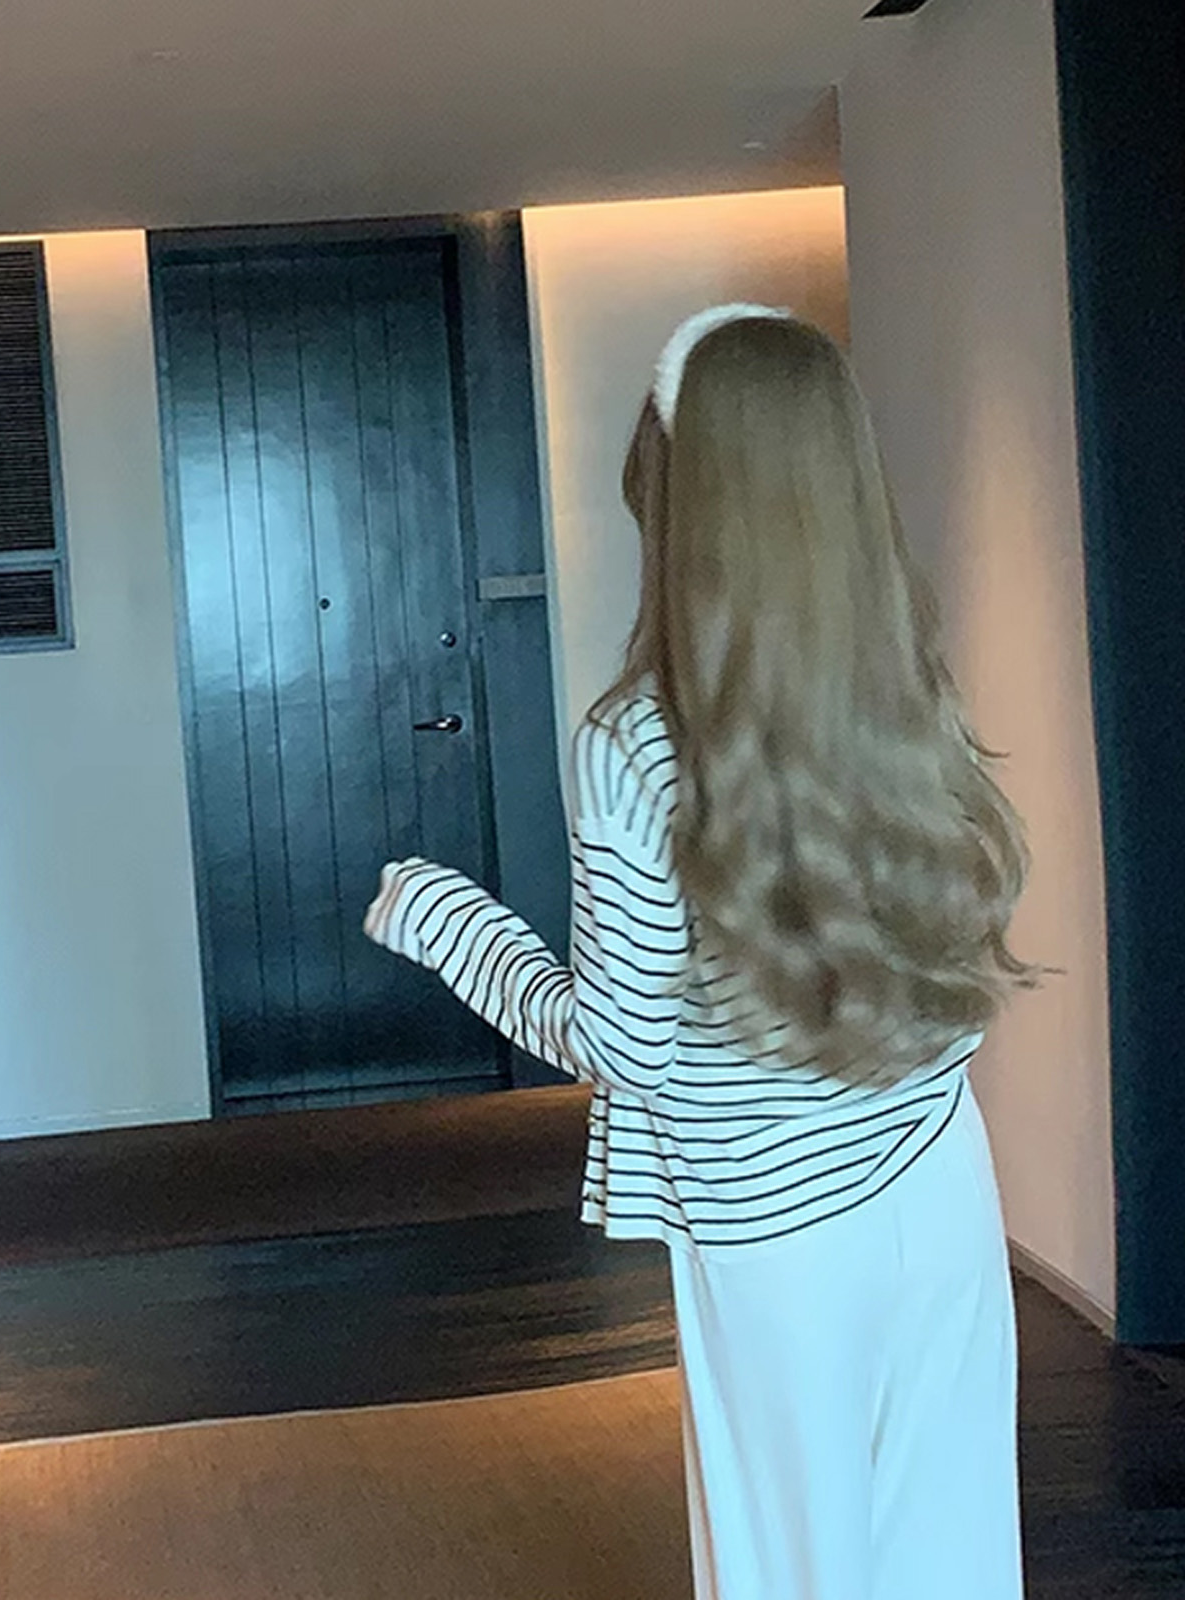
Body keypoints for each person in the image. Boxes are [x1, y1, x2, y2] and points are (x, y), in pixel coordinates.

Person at [363, 304, 1044, 1600]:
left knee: (789, 1571)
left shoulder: (633, 741)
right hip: (941, 1183)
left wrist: (449, 921)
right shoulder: (902, 684)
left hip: (776, 1234)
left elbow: (620, 1043)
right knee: (953, 1561)